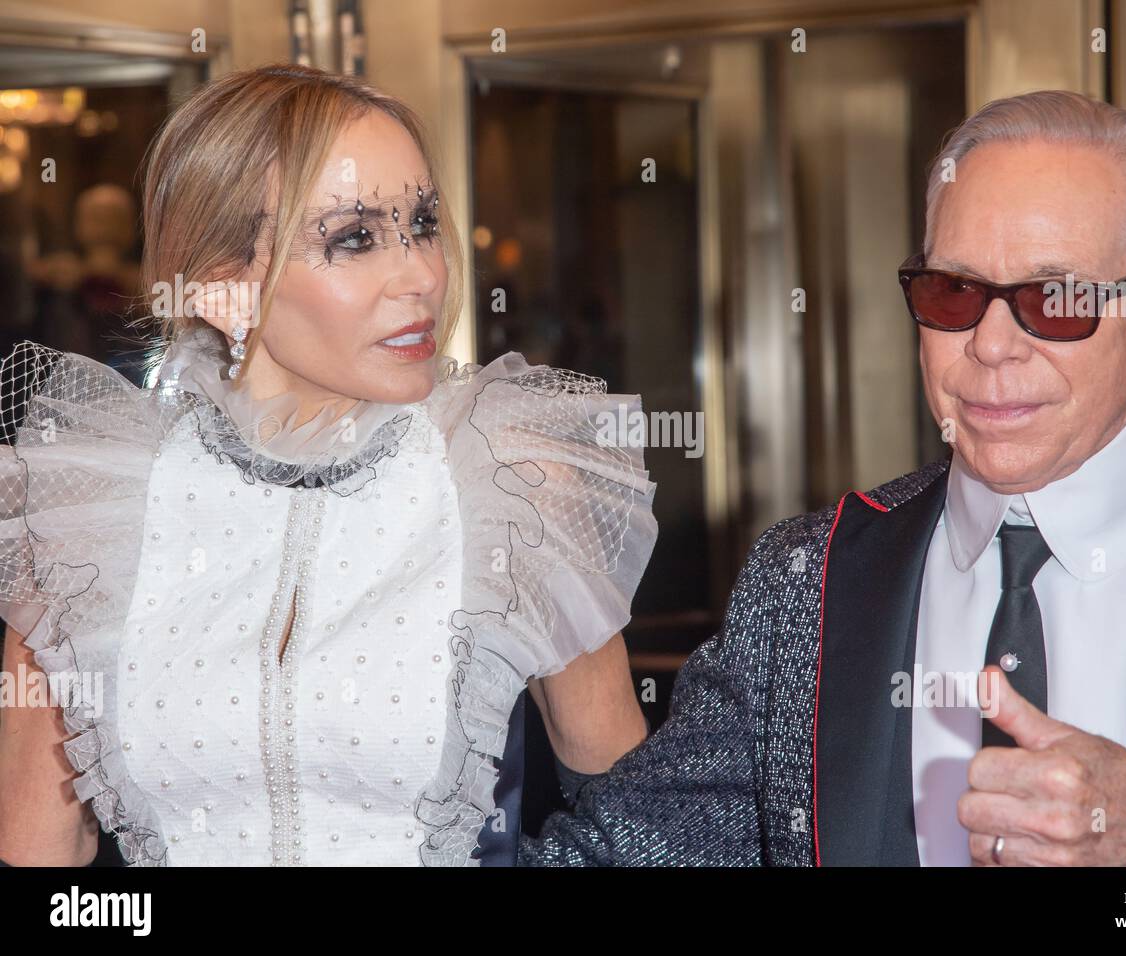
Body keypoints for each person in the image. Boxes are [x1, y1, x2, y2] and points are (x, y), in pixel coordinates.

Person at [521, 89, 1126, 867]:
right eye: (954, 292)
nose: (992, 345)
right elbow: (634, 853)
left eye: (1052, 300)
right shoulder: (803, 582)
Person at [0, 63, 658, 867]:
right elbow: (42, 868)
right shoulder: (89, 510)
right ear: (222, 287)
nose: (422, 274)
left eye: (421, 223)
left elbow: (636, 830)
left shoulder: (512, 480)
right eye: (354, 237)